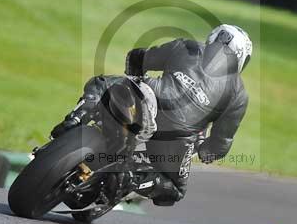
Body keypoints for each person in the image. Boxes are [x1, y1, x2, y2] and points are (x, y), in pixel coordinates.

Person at [52, 24, 252, 206]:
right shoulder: (239, 94)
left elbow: (138, 57)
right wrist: (205, 151)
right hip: (178, 136)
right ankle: (130, 178)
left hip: (150, 96)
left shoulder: (187, 46)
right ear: (242, 58)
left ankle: (74, 119)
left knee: (100, 83)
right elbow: (220, 143)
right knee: (174, 189)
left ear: (214, 37)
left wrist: (132, 78)